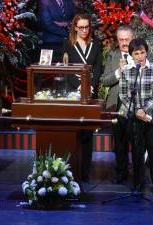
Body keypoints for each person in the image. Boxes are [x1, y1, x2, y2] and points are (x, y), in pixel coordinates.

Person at [118, 38, 153, 193]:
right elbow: (123, 95)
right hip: (135, 116)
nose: (140, 56)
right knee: (137, 149)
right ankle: (138, 182)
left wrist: (144, 110)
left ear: (146, 52)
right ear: (131, 55)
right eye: (136, 53)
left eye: (142, 52)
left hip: (150, 115)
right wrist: (137, 111)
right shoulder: (127, 70)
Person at [63, 14, 103, 182]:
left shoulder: (96, 44)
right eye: (81, 27)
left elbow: (98, 67)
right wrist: (79, 87)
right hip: (73, 92)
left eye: (87, 27)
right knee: (73, 131)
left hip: (90, 93)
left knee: (87, 132)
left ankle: (85, 171)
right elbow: (66, 69)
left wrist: (91, 87)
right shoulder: (68, 44)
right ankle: (70, 169)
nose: (85, 30)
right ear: (75, 28)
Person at [101, 25, 135, 184]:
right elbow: (105, 80)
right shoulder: (112, 56)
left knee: (136, 141)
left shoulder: (139, 54)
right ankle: (121, 172)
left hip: (135, 105)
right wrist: (118, 72)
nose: (124, 43)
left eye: (127, 39)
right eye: (121, 40)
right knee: (119, 143)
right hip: (117, 105)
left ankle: (138, 174)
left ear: (132, 38)